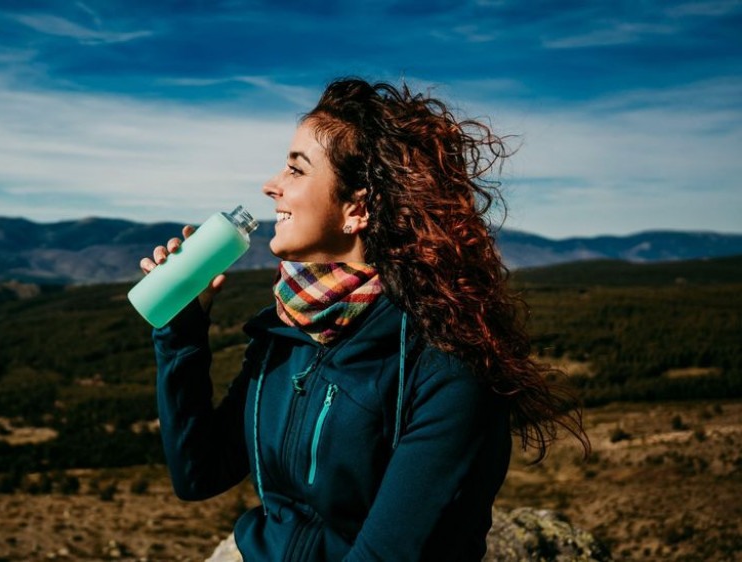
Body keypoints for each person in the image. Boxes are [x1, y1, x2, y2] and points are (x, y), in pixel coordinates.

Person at [138, 77, 590, 561]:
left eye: (296, 169)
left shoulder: (444, 366)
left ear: (356, 209)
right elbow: (198, 474)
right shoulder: (285, 328)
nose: (271, 185)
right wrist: (182, 329)